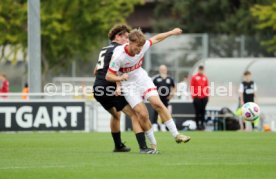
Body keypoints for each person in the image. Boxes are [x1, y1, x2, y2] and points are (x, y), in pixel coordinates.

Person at [106, 28, 191, 144]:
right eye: (137, 47)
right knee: (143, 114)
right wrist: (120, 80)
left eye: (141, 47)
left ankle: (176, 135)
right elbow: (109, 75)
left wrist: (171, 33)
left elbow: (156, 38)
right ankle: (153, 144)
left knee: (158, 104)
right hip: (129, 86)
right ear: (130, 43)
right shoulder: (118, 56)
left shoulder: (142, 45)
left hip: (142, 79)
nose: (139, 50)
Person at [93, 24, 157, 154]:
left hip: (97, 88)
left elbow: (95, 71)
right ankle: (143, 148)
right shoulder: (119, 50)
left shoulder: (104, 49)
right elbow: (115, 72)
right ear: (118, 37)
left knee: (116, 115)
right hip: (109, 87)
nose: (128, 41)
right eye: (126, 37)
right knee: (134, 114)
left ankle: (118, 146)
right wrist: (118, 85)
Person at [152, 65, 176, 132]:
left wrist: (172, 95)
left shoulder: (170, 79)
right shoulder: (156, 79)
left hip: (166, 98)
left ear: (166, 70)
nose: (163, 70)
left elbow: (174, 87)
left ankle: (163, 125)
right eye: (161, 69)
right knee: (156, 111)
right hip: (158, 98)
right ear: (159, 70)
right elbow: (152, 87)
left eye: (164, 69)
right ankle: (155, 125)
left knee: (165, 112)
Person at [190, 65, 209, 130]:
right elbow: (192, 86)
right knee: (197, 112)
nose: (201, 71)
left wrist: (207, 96)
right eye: (200, 69)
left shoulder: (205, 77)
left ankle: (202, 124)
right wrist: (193, 96)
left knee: (203, 111)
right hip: (197, 97)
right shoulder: (194, 77)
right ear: (198, 70)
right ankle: (197, 125)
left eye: (202, 69)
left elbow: (206, 87)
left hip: (204, 97)